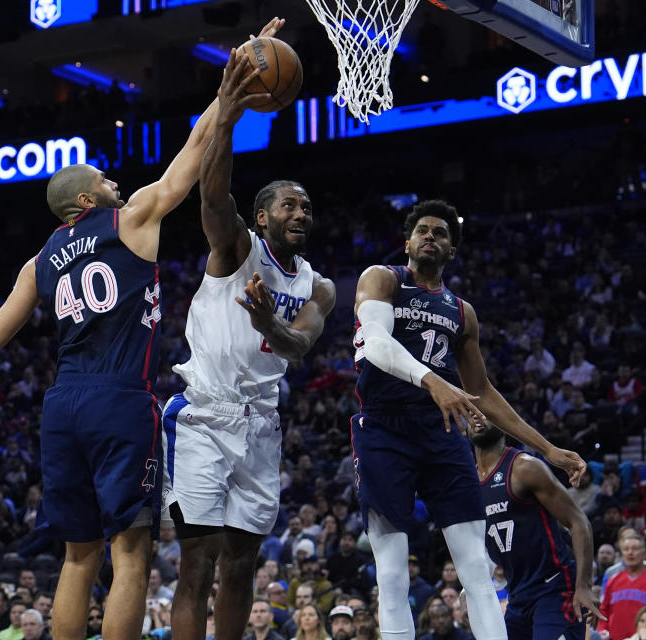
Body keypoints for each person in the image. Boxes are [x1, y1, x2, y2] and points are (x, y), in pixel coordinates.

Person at [0, 19, 287, 640]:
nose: (116, 183)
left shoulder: (37, 262)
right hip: (118, 401)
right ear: (86, 202)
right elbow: (193, 151)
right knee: (130, 553)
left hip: (62, 408)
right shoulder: (128, 219)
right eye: (105, 180)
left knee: (77, 556)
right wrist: (230, 90)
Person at [161, 35, 336, 640]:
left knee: (240, 567)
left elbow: (299, 347)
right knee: (197, 564)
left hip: (262, 423)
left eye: (307, 207)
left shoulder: (320, 287)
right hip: (205, 416)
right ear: (262, 217)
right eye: (289, 205)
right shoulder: (237, 248)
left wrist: (268, 324)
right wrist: (227, 118)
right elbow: (211, 195)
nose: (300, 213)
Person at [350, 199, 585, 640]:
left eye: (440, 233)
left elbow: (483, 393)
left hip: (439, 432)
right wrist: (432, 382)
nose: (430, 237)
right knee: (393, 570)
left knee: (476, 566)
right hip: (383, 428)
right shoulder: (383, 279)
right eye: (422, 230)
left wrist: (548, 448)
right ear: (407, 241)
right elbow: (377, 343)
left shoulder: (462, 312)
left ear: (451, 251)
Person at [468, 421, 602, 640]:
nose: (477, 417)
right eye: (470, 412)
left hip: (555, 588)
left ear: (502, 420)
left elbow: (578, 521)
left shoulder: (524, 467)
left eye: (484, 410)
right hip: (517, 593)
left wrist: (584, 585)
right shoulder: (469, 482)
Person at [598, 535, 646, 640]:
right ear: (622, 554)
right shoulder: (613, 581)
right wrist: (602, 630)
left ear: (644, 554)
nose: (630, 553)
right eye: (626, 549)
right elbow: (603, 610)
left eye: (635, 549)